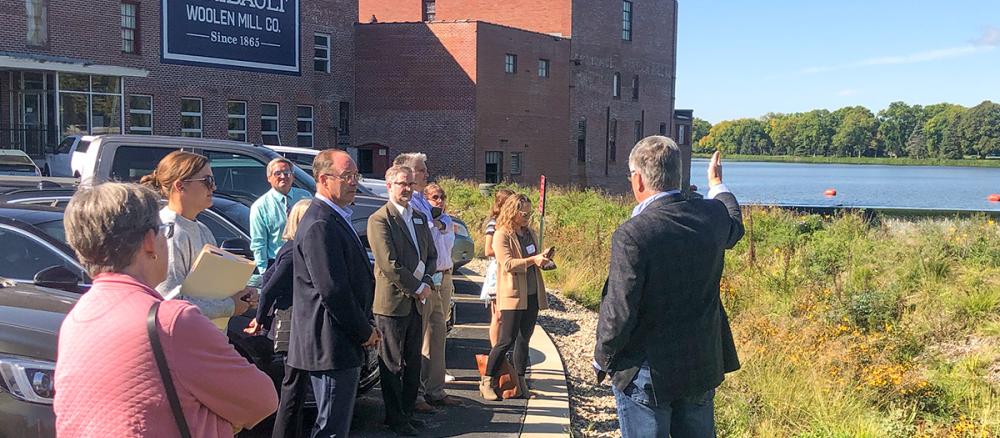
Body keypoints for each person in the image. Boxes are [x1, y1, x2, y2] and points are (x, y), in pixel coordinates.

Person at [54, 182, 277, 437]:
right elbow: (263, 400)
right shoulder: (172, 321)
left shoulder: (76, 318)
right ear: (149, 241)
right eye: (163, 231)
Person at [593, 137, 745, 438]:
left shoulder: (634, 234)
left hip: (649, 373)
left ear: (638, 180)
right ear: (678, 176)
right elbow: (734, 224)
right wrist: (717, 183)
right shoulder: (711, 216)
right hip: (700, 365)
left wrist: (602, 358)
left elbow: (620, 309)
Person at [288, 149, 379, 438]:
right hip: (331, 342)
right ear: (324, 179)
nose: (354, 182)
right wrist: (364, 330)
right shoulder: (320, 223)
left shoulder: (336, 216)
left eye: (356, 175)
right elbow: (332, 290)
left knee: (337, 423)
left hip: (341, 340)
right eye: (347, 176)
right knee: (331, 427)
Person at [140, 150, 255, 321]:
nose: (214, 187)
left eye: (213, 181)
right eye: (207, 181)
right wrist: (229, 306)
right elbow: (169, 301)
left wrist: (242, 293)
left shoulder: (203, 230)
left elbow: (211, 287)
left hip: (203, 336)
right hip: (181, 341)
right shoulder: (168, 233)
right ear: (180, 186)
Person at [368, 165, 438, 436]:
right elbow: (389, 265)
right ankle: (394, 418)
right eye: (401, 184)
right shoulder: (380, 219)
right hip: (392, 304)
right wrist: (417, 287)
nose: (407, 188)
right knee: (393, 364)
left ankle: (407, 413)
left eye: (410, 183)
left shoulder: (419, 217)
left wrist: (427, 282)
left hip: (418, 301)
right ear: (389, 186)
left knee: (413, 362)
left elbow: (431, 255)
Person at [393, 152, 461, 410]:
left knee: (438, 332)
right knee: (419, 337)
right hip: (423, 280)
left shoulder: (426, 203)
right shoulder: (412, 205)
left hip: (441, 275)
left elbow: (443, 232)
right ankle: (417, 393)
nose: (426, 174)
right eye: (421, 170)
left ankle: (436, 389)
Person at [245, 199, 312, 438]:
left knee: (297, 388)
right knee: (292, 388)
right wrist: (260, 319)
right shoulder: (293, 252)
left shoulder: (290, 248)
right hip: (290, 324)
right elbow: (270, 286)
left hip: (292, 322)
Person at [480, 193, 552, 401]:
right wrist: (533, 260)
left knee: (524, 339)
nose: (528, 217)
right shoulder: (502, 234)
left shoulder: (529, 232)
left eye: (530, 213)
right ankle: (487, 380)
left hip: (531, 292)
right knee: (506, 339)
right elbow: (508, 263)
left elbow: (533, 256)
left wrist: (544, 261)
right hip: (512, 293)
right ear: (513, 212)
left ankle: (520, 383)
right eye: (524, 213)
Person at [249, 158, 311, 278]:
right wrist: (264, 273)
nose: (283, 176)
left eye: (287, 173)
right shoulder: (260, 206)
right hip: (278, 264)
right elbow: (258, 243)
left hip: (305, 260)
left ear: (292, 176)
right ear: (269, 178)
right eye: (278, 173)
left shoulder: (305, 197)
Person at [479, 188, 514, 347]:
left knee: (506, 316)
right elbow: (488, 250)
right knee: (498, 316)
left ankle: (502, 349)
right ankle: (495, 351)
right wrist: (507, 253)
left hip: (508, 270)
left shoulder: (510, 224)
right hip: (497, 271)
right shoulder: (494, 223)